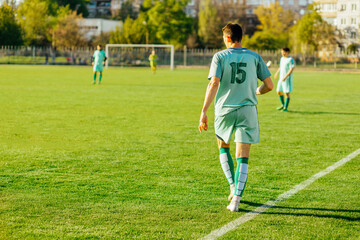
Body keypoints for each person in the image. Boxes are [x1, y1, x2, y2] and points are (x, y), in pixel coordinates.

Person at [198, 23, 273, 212]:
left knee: (223, 147)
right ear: (241, 37)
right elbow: (270, 85)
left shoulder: (220, 56)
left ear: (228, 38)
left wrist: (204, 111)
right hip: (247, 110)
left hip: (225, 110)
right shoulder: (254, 56)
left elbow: (214, 83)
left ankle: (232, 186)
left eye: (224, 38)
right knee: (243, 156)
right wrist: (257, 90)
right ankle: (236, 200)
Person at [274, 47, 295, 112]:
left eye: (283, 52)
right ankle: (283, 105)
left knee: (286, 93)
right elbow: (281, 67)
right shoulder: (282, 59)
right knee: (278, 91)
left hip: (286, 79)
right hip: (281, 78)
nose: (282, 53)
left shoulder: (290, 59)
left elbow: (291, 69)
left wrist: (285, 77)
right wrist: (276, 73)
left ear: (287, 52)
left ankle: (285, 108)